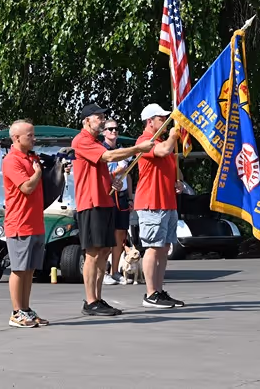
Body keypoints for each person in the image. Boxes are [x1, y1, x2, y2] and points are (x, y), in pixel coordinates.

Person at [72, 103, 153, 317]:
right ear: (86, 121)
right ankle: (90, 301)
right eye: (98, 117)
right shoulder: (81, 140)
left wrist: (112, 181)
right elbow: (108, 157)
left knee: (105, 251)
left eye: (102, 116)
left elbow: (100, 170)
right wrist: (137, 149)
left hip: (105, 202)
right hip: (91, 204)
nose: (102, 120)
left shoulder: (96, 142)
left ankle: (97, 298)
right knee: (92, 252)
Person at [135, 103, 184, 309]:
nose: (165, 122)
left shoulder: (163, 141)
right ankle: (150, 293)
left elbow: (173, 167)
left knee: (164, 248)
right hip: (151, 202)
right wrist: (174, 135)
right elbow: (163, 151)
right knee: (153, 247)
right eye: (161, 119)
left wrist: (178, 180)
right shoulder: (145, 141)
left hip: (167, 202)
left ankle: (159, 290)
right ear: (150, 121)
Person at [2, 120, 49, 328]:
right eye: (29, 135)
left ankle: (26, 310)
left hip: (35, 222)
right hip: (20, 222)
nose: (33, 138)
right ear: (16, 138)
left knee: (30, 270)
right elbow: (27, 187)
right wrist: (38, 173)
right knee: (19, 269)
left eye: (33, 134)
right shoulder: (11, 160)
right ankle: (16, 312)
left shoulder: (32, 157)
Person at [102, 120, 133, 286]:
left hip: (121, 195)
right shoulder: (101, 150)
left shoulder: (122, 150)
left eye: (116, 129)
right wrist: (117, 172)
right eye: (110, 129)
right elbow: (105, 175)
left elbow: (127, 175)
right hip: (107, 194)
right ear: (104, 132)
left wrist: (129, 197)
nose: (113, 132)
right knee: (108, 234)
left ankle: (115, 271)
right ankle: (105, 271)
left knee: (120, 234)